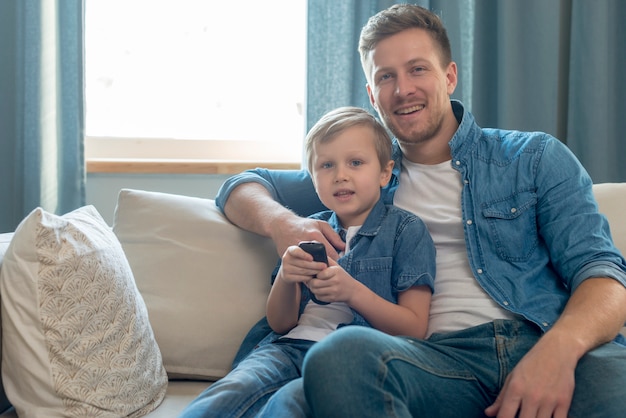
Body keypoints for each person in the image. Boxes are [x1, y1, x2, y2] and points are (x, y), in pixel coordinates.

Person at [213, 4, 626, 418]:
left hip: (542, 338)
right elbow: (241, 187)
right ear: (373, 95)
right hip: (430, 363)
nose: (402, 89)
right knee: (333, 363)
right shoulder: (362, 171)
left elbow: (604, 275)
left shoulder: (533, 158)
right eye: (385, 77)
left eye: (417, 69)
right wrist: (284, 223)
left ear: (449, 76)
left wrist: (560, 349)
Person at [179, 106, 436, 418]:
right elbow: (280, 323)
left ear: (385, 173)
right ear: (312, 179)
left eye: (355, 163)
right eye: (326, 165)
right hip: (287, 349)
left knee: (287, 404)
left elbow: (414, 328)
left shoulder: (405, 231)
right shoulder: (306, 229)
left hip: (352, 359)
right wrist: (287, 277)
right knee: (229, 392)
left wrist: (353, 292)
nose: (341, 174)